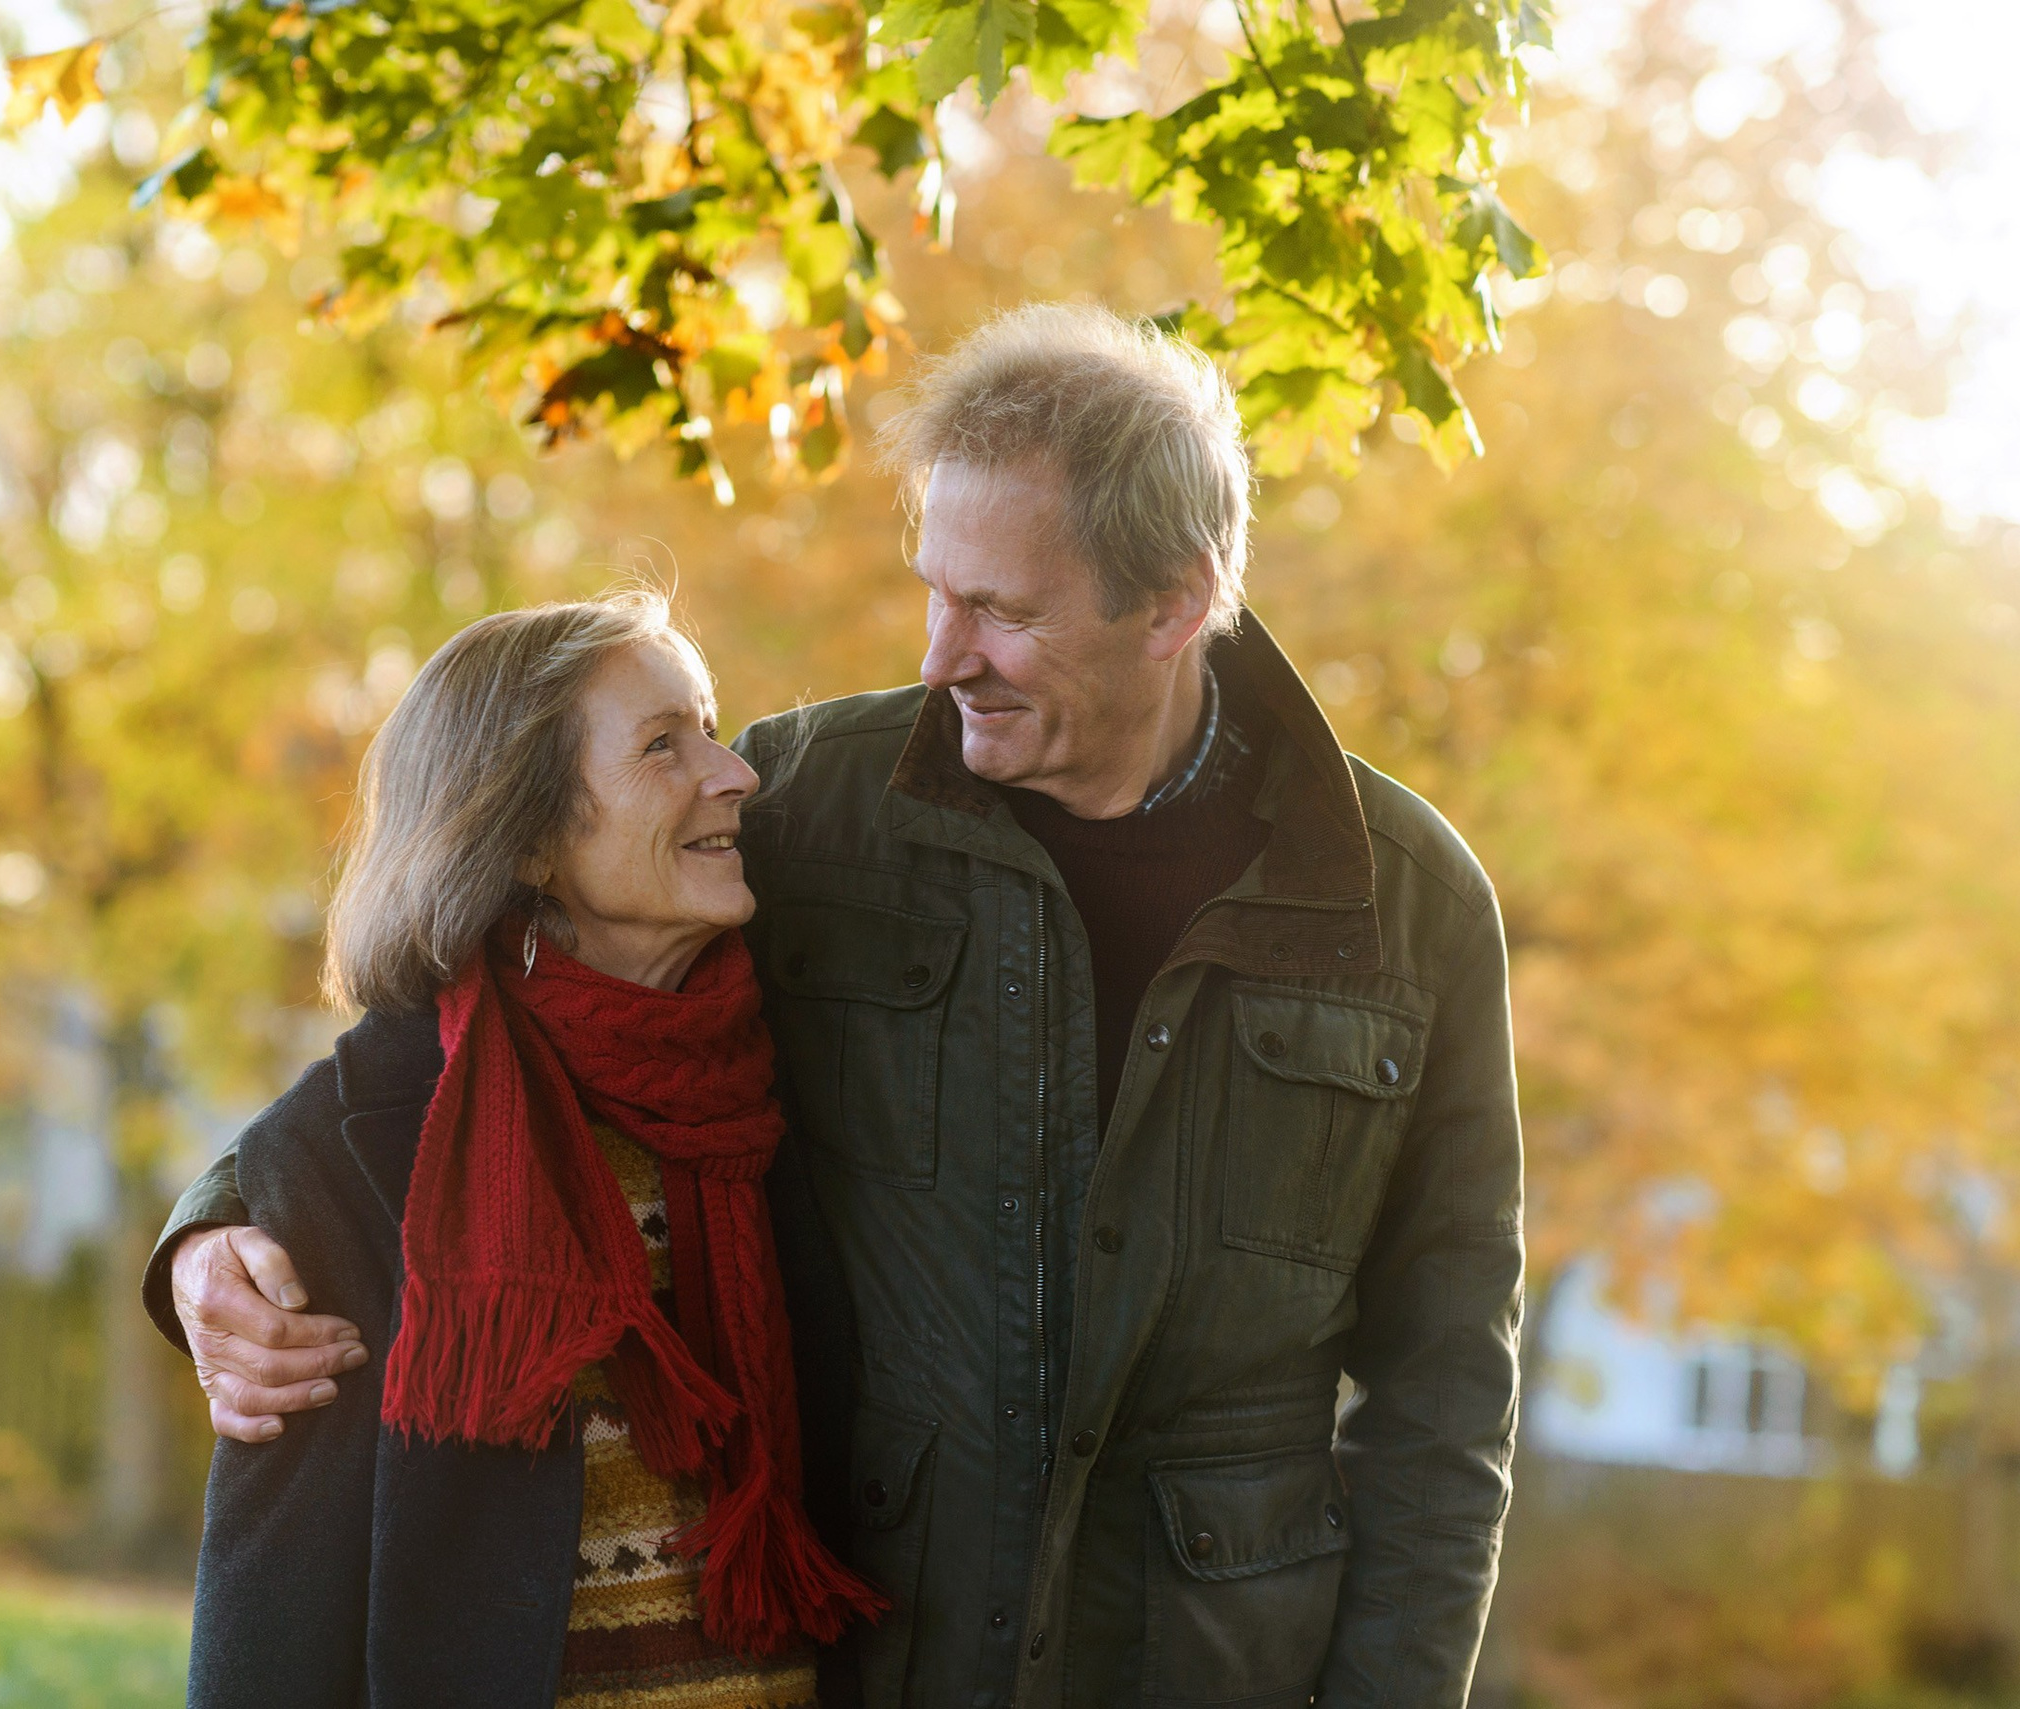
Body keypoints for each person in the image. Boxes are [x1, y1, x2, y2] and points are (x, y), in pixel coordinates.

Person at [151, 304, 1526, 1709]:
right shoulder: (808, 804)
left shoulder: (1402, 906)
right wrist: (219, 1232)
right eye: (936, 587)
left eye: (1003, 609)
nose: (942, 653)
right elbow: (491, 993)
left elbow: (1446, 1398)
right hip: (867, 1657)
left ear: (1173, 602)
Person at [182, 591, 881, 1708]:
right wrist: (199, 1234)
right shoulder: (352, 1148)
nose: (736, 772)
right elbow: (275, 1602)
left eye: (708, 724)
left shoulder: (796, 1072)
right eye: (665, 745)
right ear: (530, 841)